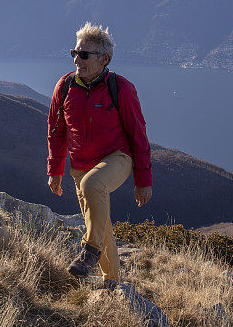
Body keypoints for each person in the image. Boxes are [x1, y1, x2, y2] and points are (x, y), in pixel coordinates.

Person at [47, 22, 153, 283]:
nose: (77, 60)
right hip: (80, 166)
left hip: (117, 158)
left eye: (84, 54)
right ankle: (112, 284)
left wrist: (143, 181)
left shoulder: (121, 89)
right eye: (75, 52)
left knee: (93, 185)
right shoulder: (65, 87)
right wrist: (55, 171)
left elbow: (138, 134)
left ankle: (89, 251)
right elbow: (56, 132)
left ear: (104, 59)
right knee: (100, 226)